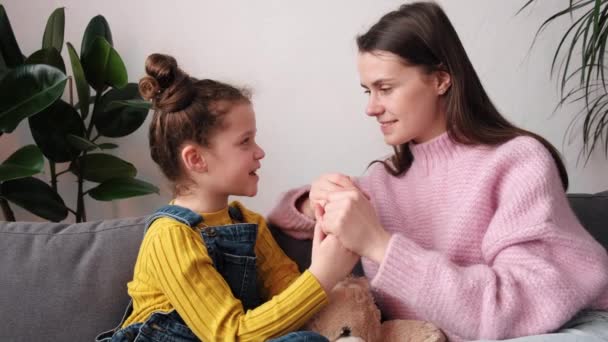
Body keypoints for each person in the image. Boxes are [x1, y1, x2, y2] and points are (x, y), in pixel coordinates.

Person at [267, 2, 608, 341]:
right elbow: (282, 217)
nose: (371, 108)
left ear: (441, 79)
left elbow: (511, 311)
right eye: (367, 91)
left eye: (385, 88)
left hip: (560, 327)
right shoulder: (385, 182)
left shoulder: (518, 162)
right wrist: (315, 200)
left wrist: (380, 245)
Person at [96, 53, 358, 342]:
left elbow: (291, 298)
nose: (260, 152)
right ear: (196, 159)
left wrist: (326, 253)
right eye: (245, 141)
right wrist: (322, 275)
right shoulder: (169, 237)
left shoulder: (250, 224)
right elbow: (229, 335)